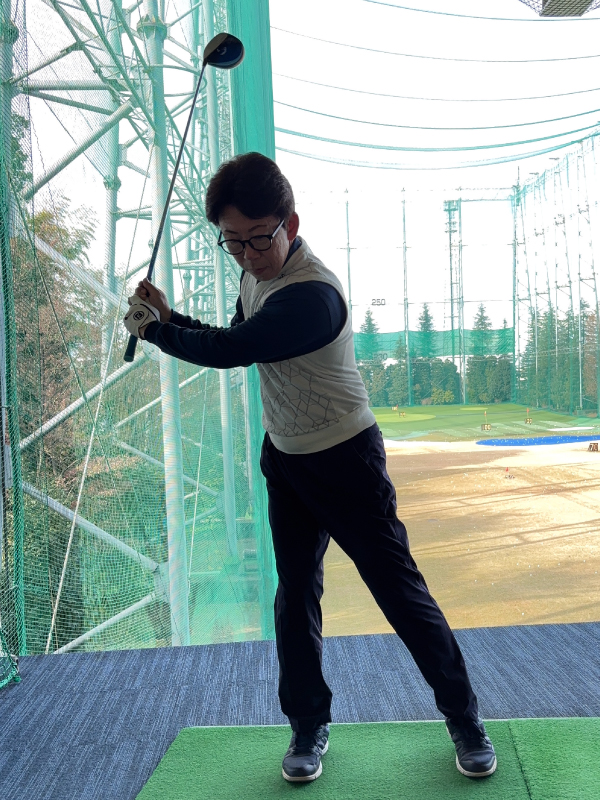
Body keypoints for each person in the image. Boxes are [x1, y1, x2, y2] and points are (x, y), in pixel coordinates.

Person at [123, 152, 497, 784]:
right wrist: (170, 317)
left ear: (290, 224)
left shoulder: (312, 295)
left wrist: (158, 330)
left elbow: (236, 349)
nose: (247, 254)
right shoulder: (255, 277)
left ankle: (464, 718)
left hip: (346, 460)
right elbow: (232, 334)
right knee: (294, 595)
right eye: (232, 241)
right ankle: (307, 725)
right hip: (287, 459)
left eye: (258, 238)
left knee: (398, 593)